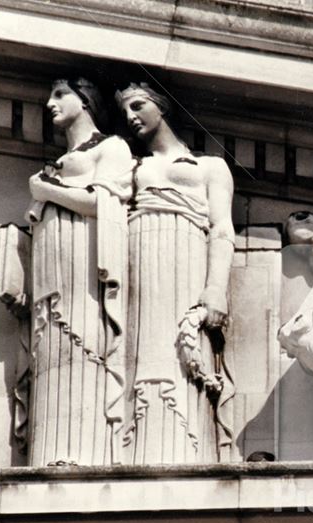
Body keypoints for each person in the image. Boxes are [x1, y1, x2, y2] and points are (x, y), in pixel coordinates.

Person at [116, 82, 235, 463]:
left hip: (187, 257)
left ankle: (184, 445)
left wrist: (216, 288)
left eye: (138, 106)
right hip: (142, 258)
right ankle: (140, 445)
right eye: (125, 112)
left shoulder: (210, 166)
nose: (131, 117)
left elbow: (221, 229)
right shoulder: (133, 167)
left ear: (162, 106)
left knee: (181, 358)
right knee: (147, 352)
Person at [23, 78, 132, 465]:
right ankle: (50, 450)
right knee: (53, 345)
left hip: (87, 265)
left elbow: (101, 201)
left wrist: (47, 190)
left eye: (59, 94)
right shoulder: (58, 163)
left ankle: (88, 453)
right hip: (53, 260)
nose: (48, 102)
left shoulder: (111, 146)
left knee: (84, 338)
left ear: (85, 101)